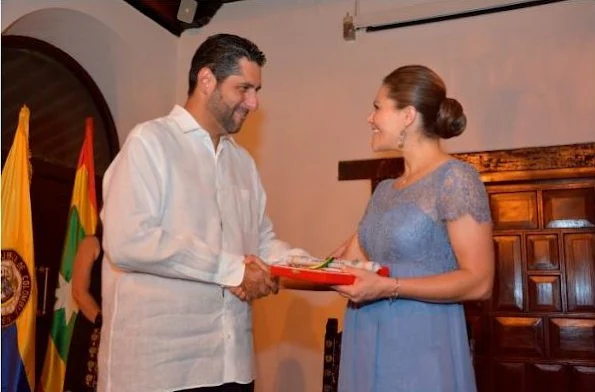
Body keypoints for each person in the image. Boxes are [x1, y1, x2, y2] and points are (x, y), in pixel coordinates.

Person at [98, 34, 306, 392]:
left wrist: (325, 270)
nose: (254, 103)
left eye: (256, 90)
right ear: (206, 80)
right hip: (159, 369)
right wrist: (233, 270)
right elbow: (128, 240)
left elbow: (263, 243)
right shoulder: (150, 142)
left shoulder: (243, 162)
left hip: (232, 366)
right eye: (244, 88)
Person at [332, 65, 495, 392]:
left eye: (378, 107)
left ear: (408, 115)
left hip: (421, 344)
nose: (370, 118)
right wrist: (273, 270)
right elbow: (342, 264)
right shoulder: (384, 191)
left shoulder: (455, 179)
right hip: (366, 336)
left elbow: (479, 282)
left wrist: (389, 287)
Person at [66, 226, 103, 392]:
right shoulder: (92, 243)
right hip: (93, 330)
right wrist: (102, 321)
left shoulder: (132, 249)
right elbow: (79, 291)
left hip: (122, 333)